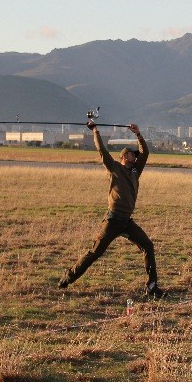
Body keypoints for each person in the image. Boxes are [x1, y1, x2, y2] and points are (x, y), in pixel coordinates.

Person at [59, 120, 164, 299]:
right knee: (95, 253)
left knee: (148, 246)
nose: (136, 157)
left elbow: (145, 152)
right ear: (124, 157)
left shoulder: (135, 172)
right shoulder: (114, 168)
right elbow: (102, 151)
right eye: (132, 155)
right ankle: (68, 278)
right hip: (113, 220)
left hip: (126, 221)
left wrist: (138, 134)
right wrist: (95, 131)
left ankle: (152, 287)